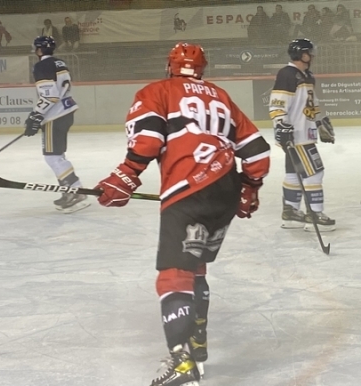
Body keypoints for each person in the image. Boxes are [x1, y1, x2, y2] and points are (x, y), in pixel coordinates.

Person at [95, 42, 271, 386]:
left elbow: (147, 138)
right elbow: (257, 152)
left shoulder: (157, 90)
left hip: (187, 189)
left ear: (169, 66)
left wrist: (126, 175)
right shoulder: (220, 96)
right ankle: (198, 347)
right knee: (196, 267)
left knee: (174, 275)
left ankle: (182, 362)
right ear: (203, 68)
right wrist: (249, 190)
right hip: (226, 187)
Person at [270, 39, 336, 231]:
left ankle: (290, 213)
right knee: (315, 172)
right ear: (300, 54)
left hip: (303, 132)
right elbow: (277, 104)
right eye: (309, 52)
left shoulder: (306, 75)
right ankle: (314, 214)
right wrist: (281, 126)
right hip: (295, 134)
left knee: (294, 172)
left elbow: (310, 103)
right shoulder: (287, 74)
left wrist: (318, 121)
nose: (312, 55)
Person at [24, 36, 87, 213]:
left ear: (39, 50)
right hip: (66, 112)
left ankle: (73, 192)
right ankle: (77, 190)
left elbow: (49, 95)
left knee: (53, 157)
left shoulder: (41, 66)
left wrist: (35, 116)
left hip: (55, 115)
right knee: (58, 155)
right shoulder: (60, 62)